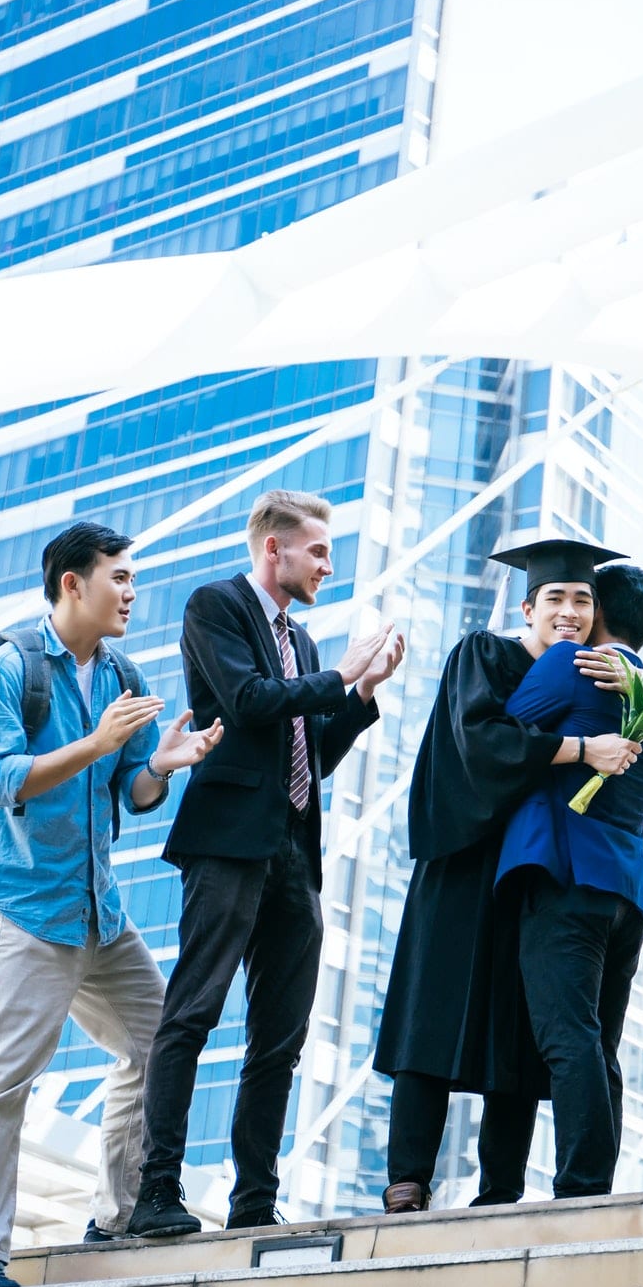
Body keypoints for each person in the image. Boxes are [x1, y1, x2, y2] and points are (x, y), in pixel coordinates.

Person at [0, 522, 222, 1287]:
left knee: (157, 1038)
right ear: (73, 582)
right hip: (22, 906)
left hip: (98, 910)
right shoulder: (11, 668)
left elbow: (133, 788)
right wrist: (97, 744)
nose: (132, 592)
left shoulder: (122, 672)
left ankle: (118, 1212)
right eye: (120, 577)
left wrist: (161, 762)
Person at [129, 491, 404, 1237]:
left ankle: (253, 1198)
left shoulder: (306, 644)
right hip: (226, 840)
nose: (328, 563)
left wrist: (361, 692)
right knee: (191, 1012)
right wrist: (342, 674)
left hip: (293, 849)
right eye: (318, 550)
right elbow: (249, 701)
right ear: (273, 549)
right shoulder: (214, 605)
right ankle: (157, 1191)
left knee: (279, 1039)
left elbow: (310, 753)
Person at [375, 538, 640, 1213]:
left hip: (530, 873)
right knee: (430, 1020)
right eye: (556, 597)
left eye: (583, 599)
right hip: (461, 858)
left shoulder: (593, 670)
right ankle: (409, 1176)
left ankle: (500, 1187)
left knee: (519, 1032)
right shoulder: (484, 654)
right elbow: (479, 741)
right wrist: (581, 747)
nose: (570, 611)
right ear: (528, 605)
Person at [496, 562, 643, 1198]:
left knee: (568, 1037)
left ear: (596, 612)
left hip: (565, 874)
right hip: (627, 890)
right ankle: (597, 1185)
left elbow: (500, 731)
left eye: (582, 601)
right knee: (599, 1044)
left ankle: (582, 1188)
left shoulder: (572, 665)